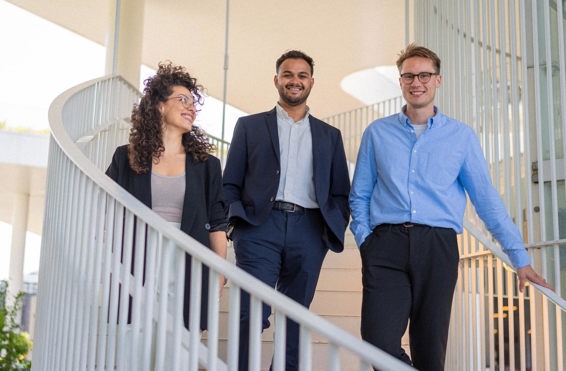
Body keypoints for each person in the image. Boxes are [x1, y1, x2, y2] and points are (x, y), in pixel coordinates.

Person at [349, 43, 552, 371]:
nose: (417, 82)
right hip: (385, 246)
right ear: (400, 82)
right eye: (409, 76)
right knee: (378, 343)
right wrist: (366, 240)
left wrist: (520, 258)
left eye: (425, 75)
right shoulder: (377, 134)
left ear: (438, 80)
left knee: (430, 350)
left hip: (438, 246)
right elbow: (359, 194)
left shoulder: (461, 137)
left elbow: (487, 201)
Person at [222, 50, 350, 371]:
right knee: (251, 310)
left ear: (311, 82)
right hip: (259, 227)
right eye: (288, 75)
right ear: (276, 79)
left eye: (302, 75)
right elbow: (230, 182)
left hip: (309, 229)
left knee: (295, 315)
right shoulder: (249, 126)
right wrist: (237, 224)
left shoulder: (329, 136)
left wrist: (327, 230)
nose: (295, 81)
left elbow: (339, 191)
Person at [105, 61, 228, 360]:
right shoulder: (126, 158)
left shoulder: (207, 165)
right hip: (137, 258)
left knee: (180, 349)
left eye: (193, 103)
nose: (191, 108)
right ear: (159, 106)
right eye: (182, 100)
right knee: (133, 346)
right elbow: (106, 210)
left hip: (188, 260)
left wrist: (220, 271)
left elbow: (218, 221)